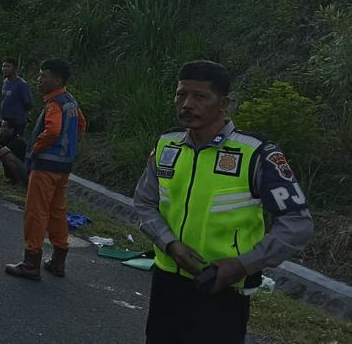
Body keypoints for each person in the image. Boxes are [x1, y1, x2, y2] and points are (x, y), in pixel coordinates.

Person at [133, 61, 313, 344]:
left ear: (224, 103)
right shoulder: (167, 145)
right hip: (167, 282)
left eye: (200, 97)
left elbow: (297, 224)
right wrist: (170, 244)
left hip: (224, 289)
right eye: (181, 95)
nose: (187, 104)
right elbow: (144, 203)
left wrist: (243, 264)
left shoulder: (256, 153)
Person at [5, 58, 86, 281]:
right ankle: (58, 260)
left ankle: (31, 262)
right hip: (64, 166)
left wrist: (35, 150)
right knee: (57, 211)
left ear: (57, 79)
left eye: (44, 76)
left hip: (46, 166)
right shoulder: (71, 101)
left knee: (36, 212)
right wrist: (69, 146)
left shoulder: (54, 104)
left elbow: (52, 130)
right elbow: (81, 125)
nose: (39, 80)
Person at [0, 119, 28, 186]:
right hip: (20, 169)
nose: (1, 129)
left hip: (26, 173)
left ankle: (19, 182)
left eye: (3, 127)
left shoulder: (17, 141)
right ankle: (13, 179)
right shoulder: (6, 139)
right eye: (1, 126)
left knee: (7, 156)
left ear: (11, 129)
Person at [1, 57, 33, 139]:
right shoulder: (5, 82)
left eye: (8, 66)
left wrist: (18, 114)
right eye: (3, 66)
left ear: (14, 68)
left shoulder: (22, 84)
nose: (5, 69)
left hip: (17, 123)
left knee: (13, 147)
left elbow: (28, 103)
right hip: (5, 121)